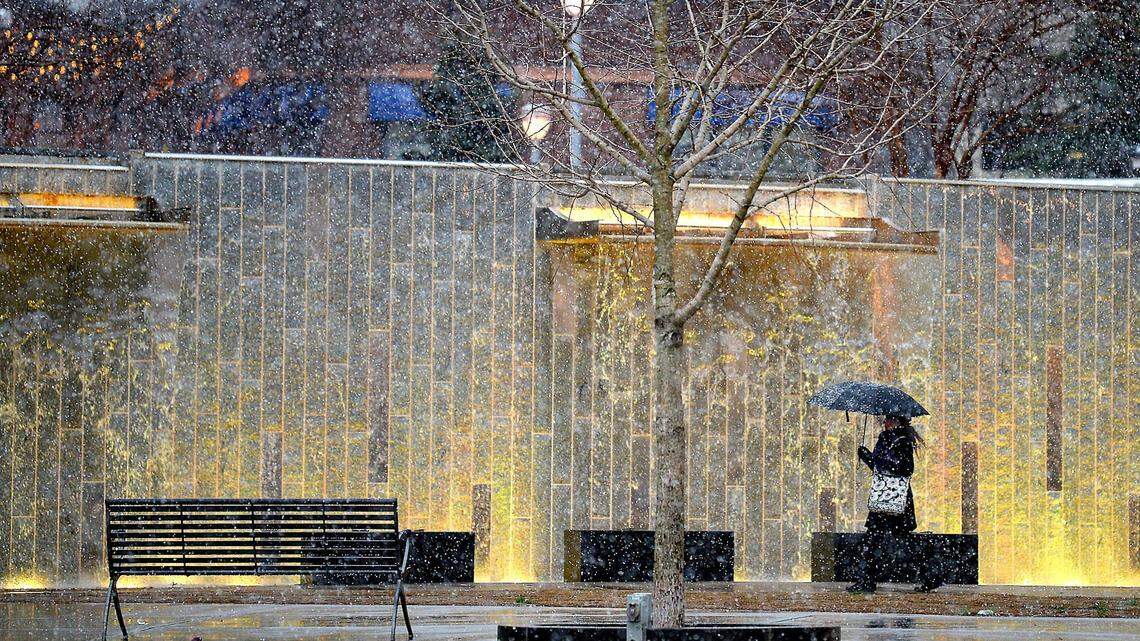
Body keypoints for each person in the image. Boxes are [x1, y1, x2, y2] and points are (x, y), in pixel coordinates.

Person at [846, 415, 941, 593]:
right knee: (877, 540)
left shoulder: (902, 440)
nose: (885, 422)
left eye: (889, 419)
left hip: (897, 499)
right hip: (885, 498)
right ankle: (930, 575)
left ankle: (930, 575)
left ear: (897, 421)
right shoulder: (886, 438)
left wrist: (875, 459)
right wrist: (867, 457)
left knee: (884, 541)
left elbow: (905, 468)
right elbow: (879, 467)